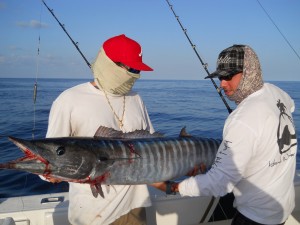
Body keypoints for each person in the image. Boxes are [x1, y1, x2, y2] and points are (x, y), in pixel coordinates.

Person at [152, 44, 297, 224]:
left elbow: (221, 183)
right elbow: (290, 106)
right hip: (282, 208)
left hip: (256, 217)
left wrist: (173, 187)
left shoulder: (242, 120)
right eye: (220, 77)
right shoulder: (277, 93)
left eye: (228, 76)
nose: (222, 84)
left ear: (250, 71)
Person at [45, 34, 155, 225]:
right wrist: (50, 173)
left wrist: (175, 182)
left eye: (137, 69)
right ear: (110, 63)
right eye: (131, 68)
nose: (135, 74)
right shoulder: (69, 99)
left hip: (136, 208)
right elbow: (50, 158)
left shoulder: (136, 98)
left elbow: (152, 149)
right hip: (92, 214)